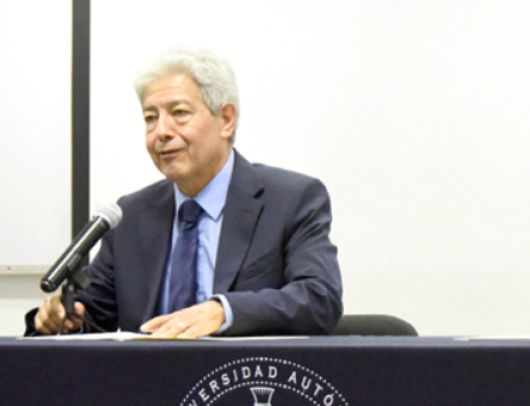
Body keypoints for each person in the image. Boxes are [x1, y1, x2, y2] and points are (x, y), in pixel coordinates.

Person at [27, 46, 342, 337]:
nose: (161, 131)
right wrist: (63, 319)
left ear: (226, 120)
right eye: (151, 118)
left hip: (242, 385)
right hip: (148, 389)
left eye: (179, 113)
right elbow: (94, 316)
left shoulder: (291, 200)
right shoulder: (131, 216)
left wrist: (223, 311)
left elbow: (319, 297)